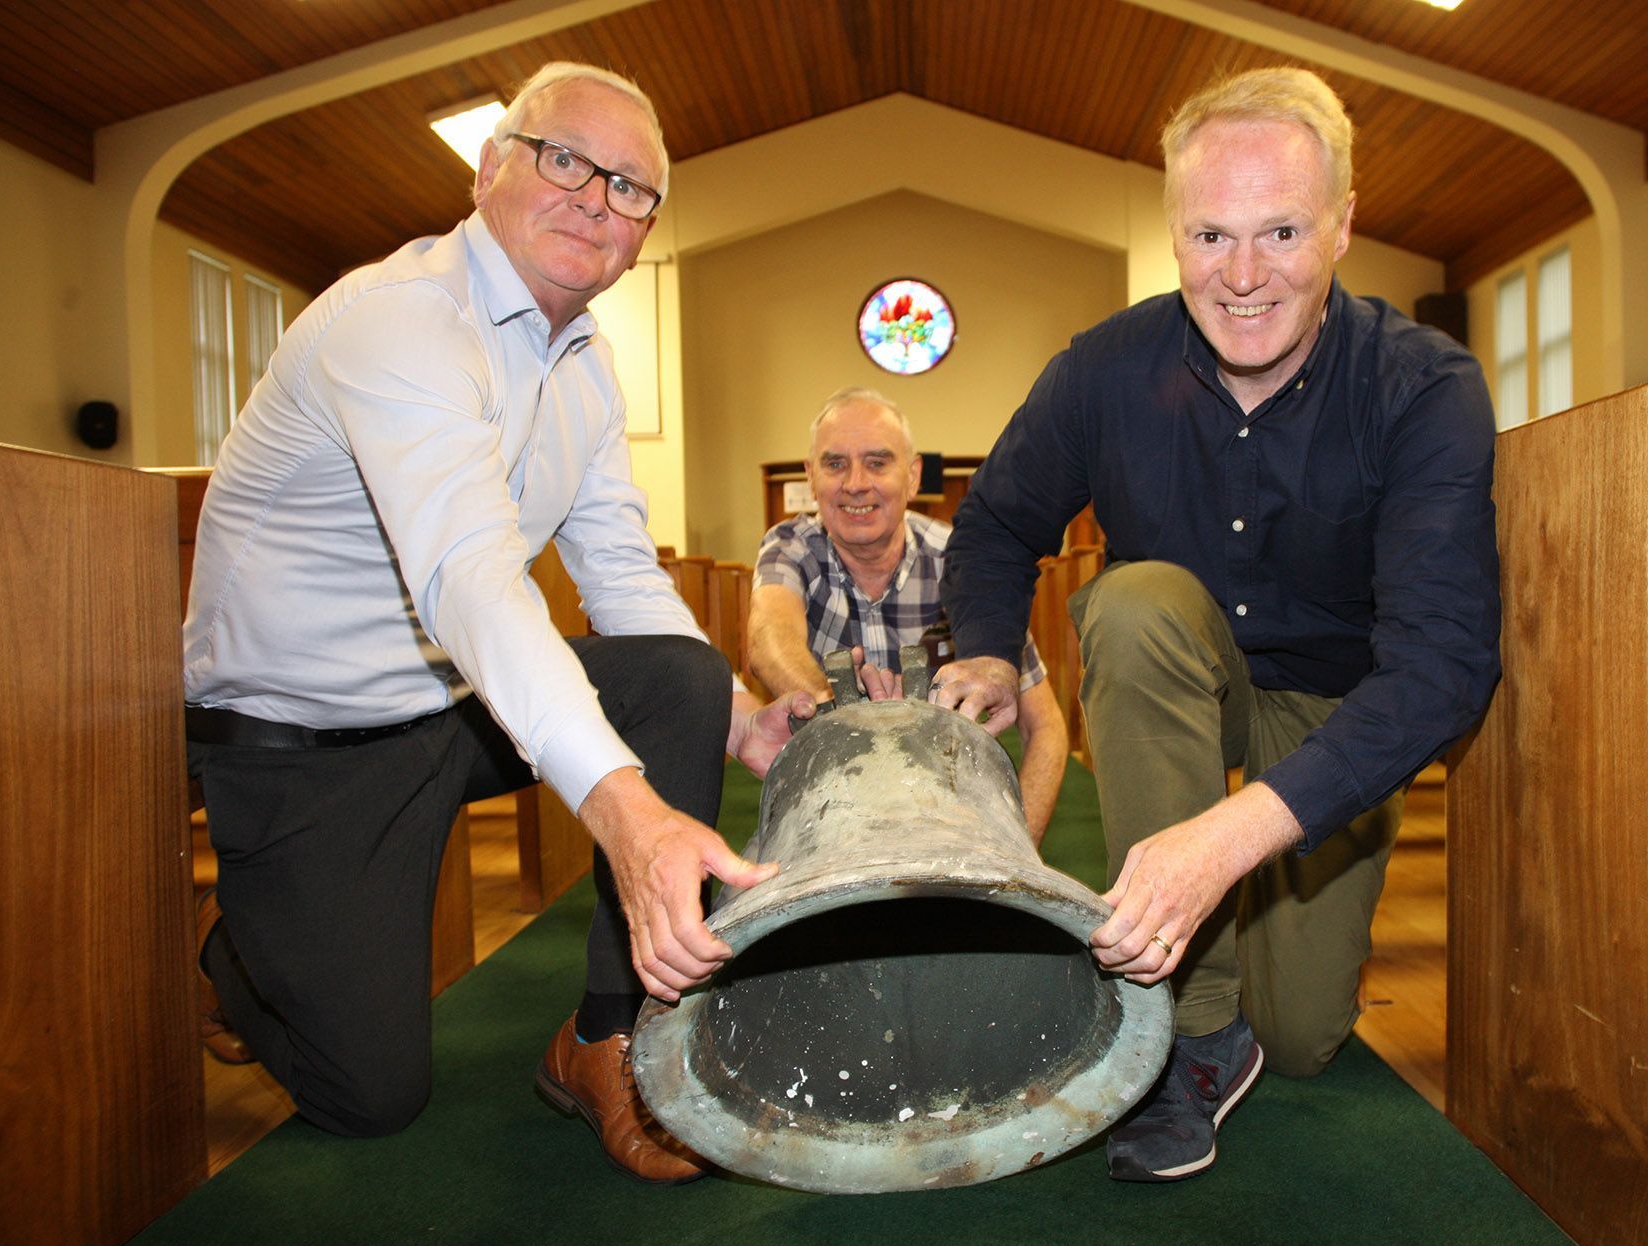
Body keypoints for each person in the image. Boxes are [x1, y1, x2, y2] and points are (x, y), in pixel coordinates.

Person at [183, 62, 813, 1185]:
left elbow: (617, 566)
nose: (592, 198)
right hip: (301, 746)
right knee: (372, 1097)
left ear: (644, 231)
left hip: (443, 711)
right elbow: (470, 579)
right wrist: (625, 811)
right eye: (564, 158)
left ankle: (603, 1034)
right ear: (490, 168)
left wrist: (737, 716)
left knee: (673, 674)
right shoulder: (398, 322)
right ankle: (239, 956)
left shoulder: (587, 365)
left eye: (629, 188)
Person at [933, 67, 1501, 1183]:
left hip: (1340, 706)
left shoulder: (1421, 385)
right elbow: (996, 523)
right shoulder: (1100, 370)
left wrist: (1233, 836)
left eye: (1282, 230)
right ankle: (1184, 1026)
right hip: (1175, 667)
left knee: (1300, 1043)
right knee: (1136, 600)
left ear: (1342, 224)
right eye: (1211, 234)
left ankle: (1242, 1010)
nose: (1243, 276)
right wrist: (990, 647)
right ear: (1173, 230)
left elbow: (1441, 667)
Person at [747, 388, 1069, 843]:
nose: (855, 483)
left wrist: (1016, 854)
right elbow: (768, 639)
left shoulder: (960, 558)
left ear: (913, 476)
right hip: (830, 811)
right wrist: (845, 717)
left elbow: (1047, 728)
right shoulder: (789, 547)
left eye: (877, 463)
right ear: (811, 476)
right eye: (835, 463)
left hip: (948, 810)